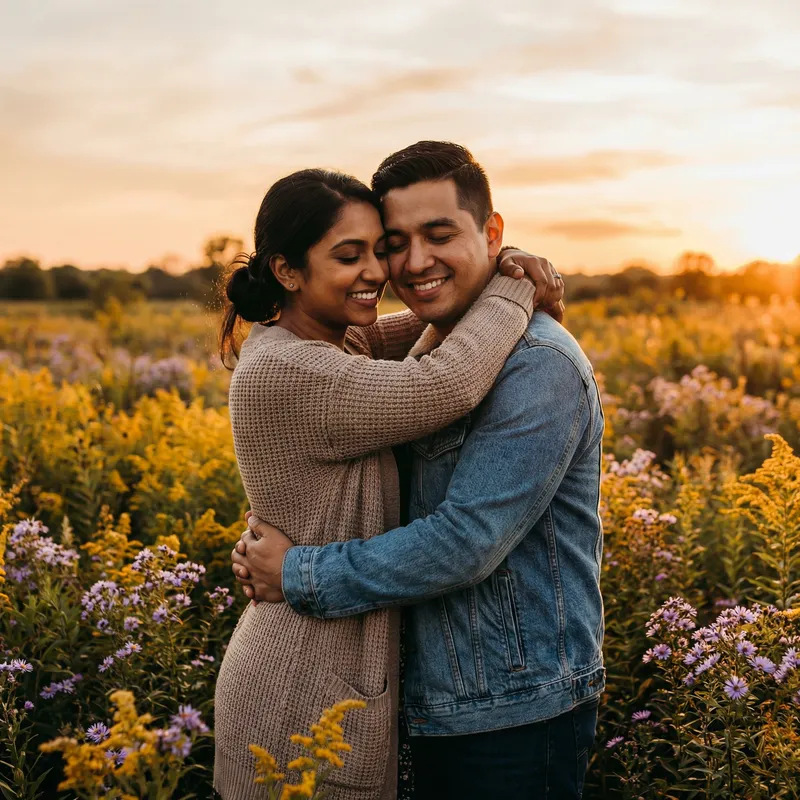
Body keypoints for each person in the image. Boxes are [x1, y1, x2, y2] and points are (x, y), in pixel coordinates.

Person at [232, 141, 605, 800]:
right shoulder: (297, 366)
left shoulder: (533, 364)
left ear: (491, 231)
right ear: (287, 272)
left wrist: (507, 274)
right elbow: (445, 381)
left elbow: (466, 540)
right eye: (385, 246)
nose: (395, 267)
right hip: (310, 683)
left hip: (508, 707)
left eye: (435, 236)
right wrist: (512, 282)